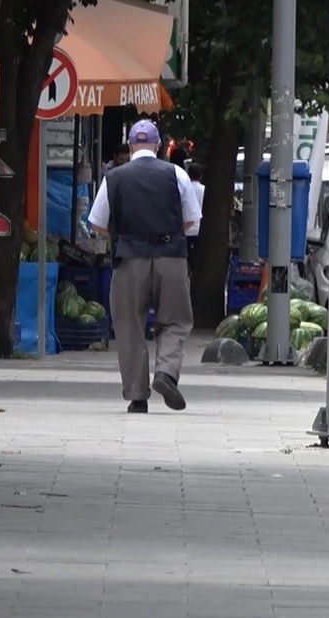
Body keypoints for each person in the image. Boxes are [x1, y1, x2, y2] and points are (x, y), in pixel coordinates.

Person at [88, 120, 202, 414]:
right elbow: (192, 221)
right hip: (171, 257)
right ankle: (165, 372)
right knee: (175, 320)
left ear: (129, 145)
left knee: (129, 324)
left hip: (129, 258)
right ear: (157, 145)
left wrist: (121, 235)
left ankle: (138, 396)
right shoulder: (176, 173)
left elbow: (97, 223)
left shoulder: (113, 178)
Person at [184, 162, 206, 263]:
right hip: (200, 228)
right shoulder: (204, 190)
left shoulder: (184, 189)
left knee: (187, 257)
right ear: (201, 176)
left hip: (186, 229)